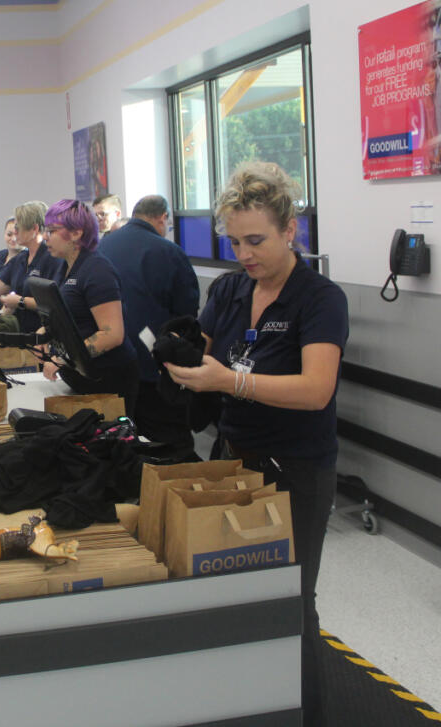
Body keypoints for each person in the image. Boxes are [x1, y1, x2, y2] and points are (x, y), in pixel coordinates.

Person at [164, 162, 348, 727]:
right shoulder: (230, 289)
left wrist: (231, 381)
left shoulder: (320, 299)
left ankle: (308, 715)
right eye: (234, 241)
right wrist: (180, 358)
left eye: (256, 241)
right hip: (234, 458)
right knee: (232, 594)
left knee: (292, 600)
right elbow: (205, 353)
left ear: (290, 230)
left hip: (297, 469)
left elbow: (315, 390)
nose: (244, 254)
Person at [98, 194, 199, 450]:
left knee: (120, 440)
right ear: (163, 218)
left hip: (109, 362)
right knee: (168, 444)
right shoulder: (169, 252)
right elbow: (187, 316)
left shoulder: (103, 247)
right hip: (153, 366)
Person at [40, 199, 139, 412]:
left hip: (108, 379)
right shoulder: (64, 267)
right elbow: (71, 315)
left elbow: (112, 334)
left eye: (52, 231)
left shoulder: (97, 270)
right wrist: (46, 331)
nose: (45, 237)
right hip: (82, 378)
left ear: (77, 233)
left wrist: (63, 359)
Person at [0, 201, 63, 333]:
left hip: (39, 334)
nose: (15, 232)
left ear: (34, 229)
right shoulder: (20, 259)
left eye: (18, 227)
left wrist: (21, 302)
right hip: (18, 331)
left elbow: (55, 304)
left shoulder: (53, 259)